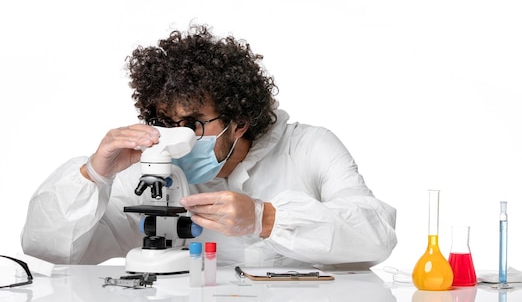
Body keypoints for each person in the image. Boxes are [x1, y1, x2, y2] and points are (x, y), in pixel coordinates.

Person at [21, 24, 397, 268]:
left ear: (239, 120)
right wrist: (94, 174)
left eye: (192, 124)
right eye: (167, 123)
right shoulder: (150, 170)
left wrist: (265, 219)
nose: (177, 137)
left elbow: (376, 238)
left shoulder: (310, 147)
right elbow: (50, 248)